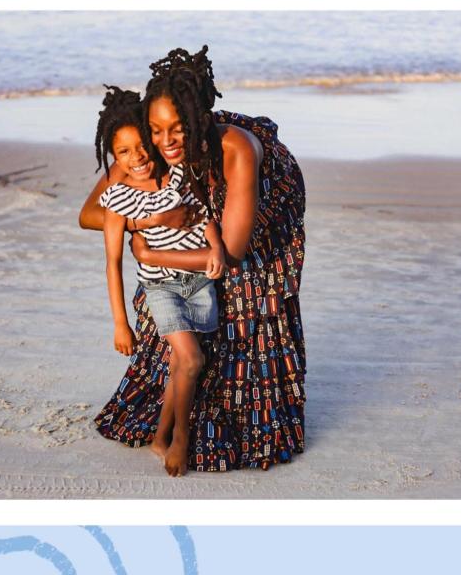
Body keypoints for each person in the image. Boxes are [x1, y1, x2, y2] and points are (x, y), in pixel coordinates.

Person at [81, 46, 306, 472]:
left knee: (243, 296)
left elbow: (234, 251)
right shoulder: (149, 144)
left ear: (197, 122)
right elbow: (91, 214)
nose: (164, 142)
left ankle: (233, 415)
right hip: (196, 217)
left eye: (177, 129)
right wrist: (153, 219)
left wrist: (151, 249)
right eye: (156, 129)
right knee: (172, 297)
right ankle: (177, 406)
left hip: (265, 210)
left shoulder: (235, 149)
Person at [91, 85, 225, 476]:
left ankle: (159, 436)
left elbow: (205, 216)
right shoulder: (117, 201)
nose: (137, 158)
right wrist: (120, 323)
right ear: (113, 157)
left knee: (182, 364)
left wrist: (215, 247)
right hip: (161, 288)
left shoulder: (177, 175)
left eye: (140, 146)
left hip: (198, 284)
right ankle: (181, 437)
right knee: (192, 358)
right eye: (123, 152)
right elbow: (112, 262)